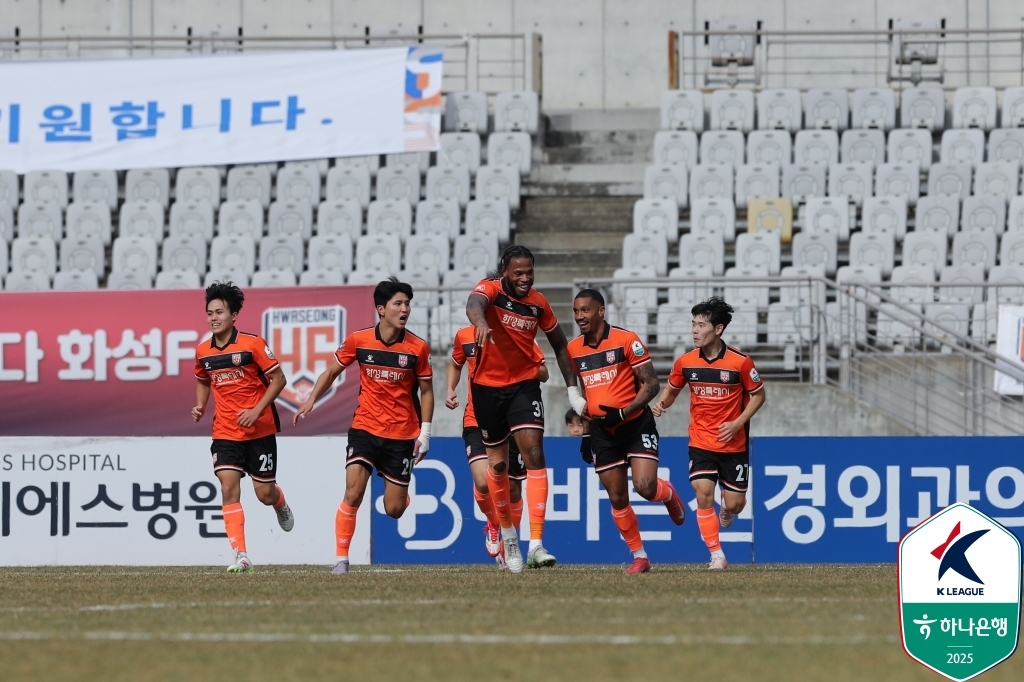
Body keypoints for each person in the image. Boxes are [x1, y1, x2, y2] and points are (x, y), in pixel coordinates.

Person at [294, 278, 434, 575]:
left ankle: (401, 495)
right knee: (354, 491)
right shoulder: (358, 340)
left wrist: (426, 433)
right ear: (381, 309)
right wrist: (310, 400)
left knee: (393, 509)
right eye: (398, 303)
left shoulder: (417, 347)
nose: (404, 309)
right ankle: (341, 559)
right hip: (365, 428)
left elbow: (427, 392)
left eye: (407, 303)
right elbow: (332, 371)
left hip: (401, 435)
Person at [466, 245, 580, 573]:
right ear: (504, 271)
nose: (525, 279)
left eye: (529, 272)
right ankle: (508, 534)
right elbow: (475, 305)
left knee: (535, 455)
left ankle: (537, 544)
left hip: (523, 386)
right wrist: (479, 323)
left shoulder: (538, 304)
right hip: (487, 389)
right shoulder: (489, 290)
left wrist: (572, 390)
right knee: (499, 469)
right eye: (518, 273)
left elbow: (560, 344)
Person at [567, 289, 685, 574]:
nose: (580, 316)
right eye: (576, 311)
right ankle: (640, 557)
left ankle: (667, 494)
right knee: (617, 497)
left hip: (635, 424)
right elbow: (584, 395)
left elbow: (652, 385)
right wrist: (585, 433)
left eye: (585, 310)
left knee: (644, 488)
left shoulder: (626, 339)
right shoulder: (573, 349)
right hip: (602, 432)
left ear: (601, 311)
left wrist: (624, 411)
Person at [652, 297, 766, 570]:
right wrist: (662, 403)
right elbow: (672, 388)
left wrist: (737, 423)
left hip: (733, 444)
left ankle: (729, 506)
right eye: (693, 324)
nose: (694, 330)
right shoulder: (686, 362)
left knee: (735, 504)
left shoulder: (740, 362)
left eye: (701, 325)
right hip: (701, 441)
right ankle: (717, 554)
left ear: (718, 329)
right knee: (703, 492)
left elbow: (759, 396)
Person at [192, 281, 294, 573]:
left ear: (234, 315)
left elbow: (279, 380)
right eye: (209, 312)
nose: (214, 317)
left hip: (259, 430)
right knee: (228, 487)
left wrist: (257, 409)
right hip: (225, 430)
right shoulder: (203, 351)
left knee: (264, 494)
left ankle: (280, 503)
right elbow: (202, 378)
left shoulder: (253, 344)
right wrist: (201, 405)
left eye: (220, 312)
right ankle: (241, 554)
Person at [446, 327, 549, 569]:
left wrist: (523, 367)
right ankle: (495, 524)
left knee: (513, 489)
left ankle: (509, 546)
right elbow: (455, 364)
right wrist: (450, 388)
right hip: (477, 417)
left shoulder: (518, 332)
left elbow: (544, 373)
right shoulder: (464, 336)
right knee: (484, 481)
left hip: (514, 418)